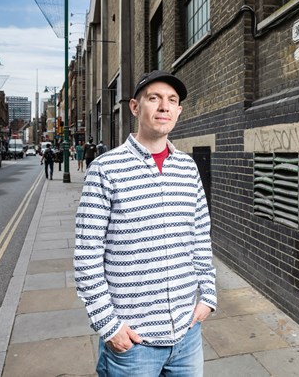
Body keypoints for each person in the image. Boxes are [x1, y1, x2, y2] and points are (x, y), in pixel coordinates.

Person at [74, 70, 216, 377]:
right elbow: (87, 256)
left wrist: (208, 296)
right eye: (154, 98)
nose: (164, 107)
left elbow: (200, 235)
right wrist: (109, 325)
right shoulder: (105, 169)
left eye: (172, 100)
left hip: (187, 334)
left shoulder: (188, 168)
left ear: (178, 110)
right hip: (133, 343)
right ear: (136, 108)